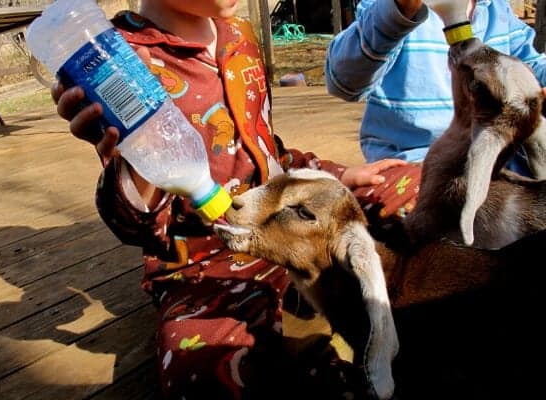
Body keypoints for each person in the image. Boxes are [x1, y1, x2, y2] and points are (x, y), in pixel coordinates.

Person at [52, 0, 405, 398]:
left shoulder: (240, 34)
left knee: (408, 184)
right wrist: (134, 154)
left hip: (294, 226)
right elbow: (139, 226)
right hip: (207, 263)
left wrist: (337, 174)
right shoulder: (117, 60)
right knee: (203, 371)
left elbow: (268, 153)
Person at [325, 0, 546, 175]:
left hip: (499, 159)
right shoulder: (392, 9)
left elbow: (532, 65)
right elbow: (343, 83)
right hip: (418, 165)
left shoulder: (497, 10)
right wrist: (396, 15)